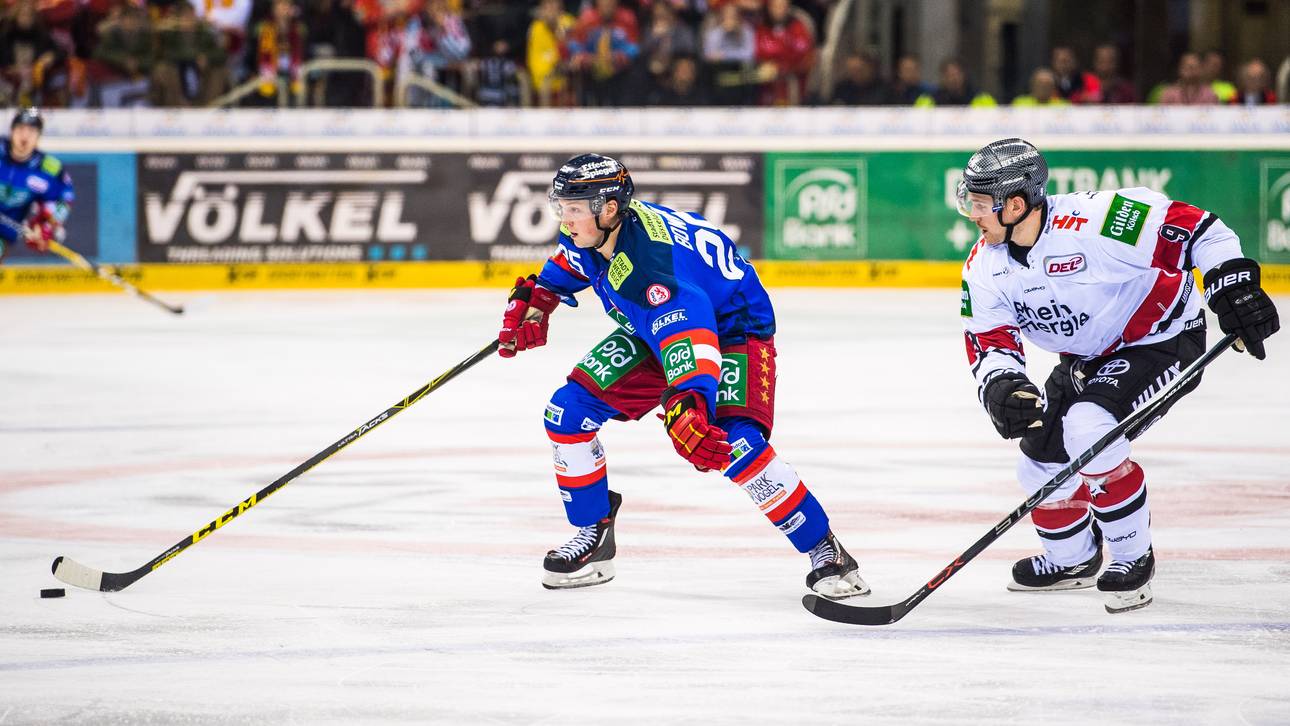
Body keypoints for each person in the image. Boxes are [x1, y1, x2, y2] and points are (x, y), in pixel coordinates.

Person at [496, 153, 870, 600]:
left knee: (733, 442)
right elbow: (570, 263)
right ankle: (593, 537)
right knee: (567, 412)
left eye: (573, 209)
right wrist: (538, 300)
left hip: (732, 330)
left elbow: (690, 334)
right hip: (659, 327)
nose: (565, 219)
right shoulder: (596, 231)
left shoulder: (654, 270)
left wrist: (689, 401)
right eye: (563, 207)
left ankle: (827, 553)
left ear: (609, 208)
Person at [956, 138, 1279, 613]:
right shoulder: (984, 267)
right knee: (1038, 462)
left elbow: (1201, 231)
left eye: (980, 204)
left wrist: (1232, 283)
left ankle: (1132, 557)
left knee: (1090, 428)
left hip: (1162, 339)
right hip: (1087, 360)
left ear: (1017, 204)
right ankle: (1073, 559)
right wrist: (1001, 384)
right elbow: (990, 339)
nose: (971, 214)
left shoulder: (1096, 222)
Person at [0, 108, 74, 264]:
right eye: (20, 129)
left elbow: (64, 200)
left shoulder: (48, 169)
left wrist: (46, 226)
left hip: (4, 232)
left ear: (38, 137)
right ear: (12, 131)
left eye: (32, 131)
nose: (25, 136)